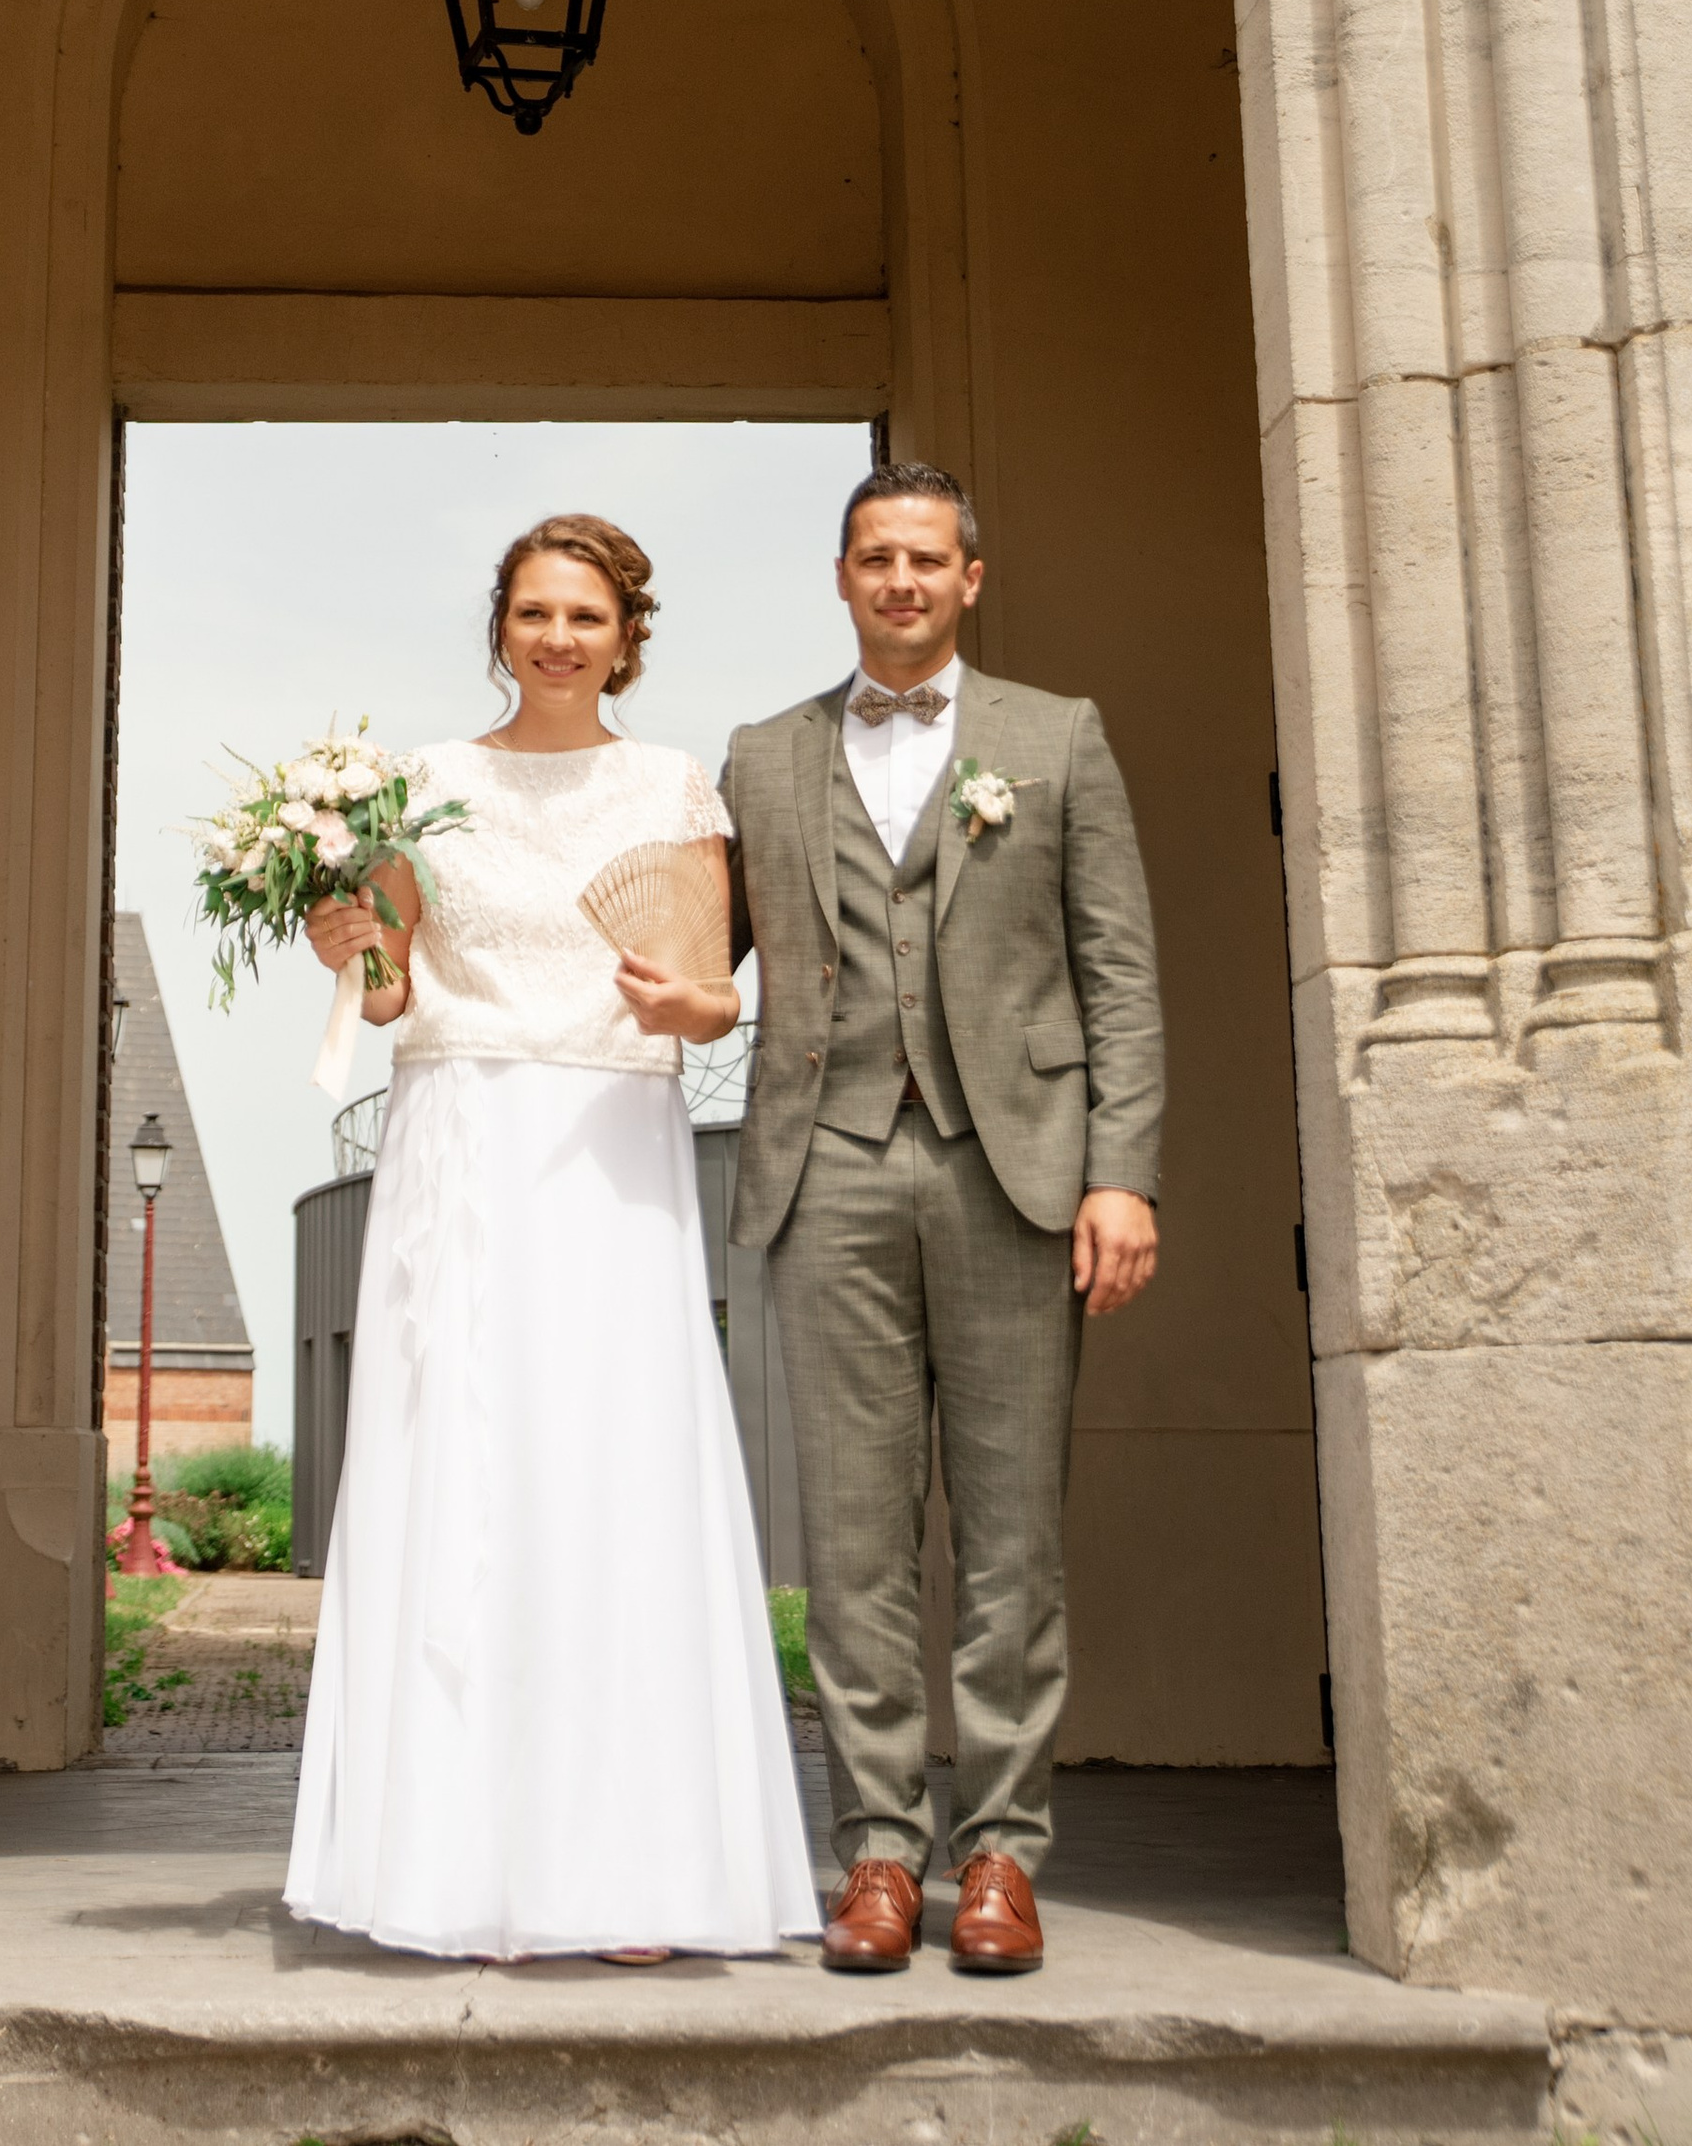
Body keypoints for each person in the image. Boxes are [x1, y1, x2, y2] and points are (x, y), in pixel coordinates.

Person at [285, 514, 818, 1963]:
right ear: (501, 627)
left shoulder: (673, 784)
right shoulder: (427, 785)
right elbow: (391, 992)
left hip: (610, 1141)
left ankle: (632, 1869)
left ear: (627, 635)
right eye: (534, 611)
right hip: (460, 1129)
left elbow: (716, 990)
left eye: (586, 614)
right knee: (463, 1462)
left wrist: (689, 1004)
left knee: (611, 1471)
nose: (559, 636)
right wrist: (349, 946)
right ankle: (461, 1864)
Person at [721, 461, 1163, 1980]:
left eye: (925, 557)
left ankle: (1000, 1854)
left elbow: (1118, 973)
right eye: (874, 558)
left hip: (1013, 1168)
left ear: (970, 576)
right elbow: (691, 955)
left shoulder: (1056, 736)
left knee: (1010, 1535)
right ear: (841, 576)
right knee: (852, 1541)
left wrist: (1122, 1170)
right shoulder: (762, 755)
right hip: (826, 1166)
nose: (899, 580)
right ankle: (877, 1851)